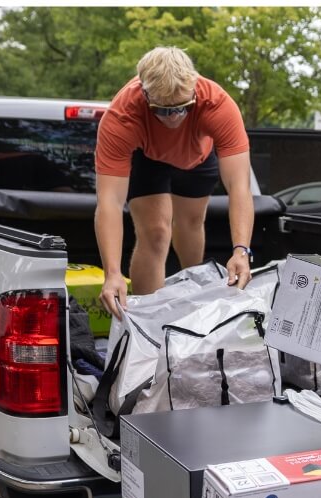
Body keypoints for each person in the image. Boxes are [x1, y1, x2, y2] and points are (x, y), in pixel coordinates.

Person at [95, 47, 254, 319]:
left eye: (182, 108)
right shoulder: (123, 116)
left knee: (191, 225)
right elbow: (109, 201)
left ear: (194, 90)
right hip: (148, 158)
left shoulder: (216, 104)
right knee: (156, 233)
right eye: (163, 110)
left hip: (198, 157)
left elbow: (239, 186)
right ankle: (149, 321)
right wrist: (112, 273)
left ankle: (191, 309)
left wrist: (241, 251)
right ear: (145, 95)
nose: (174, 118)